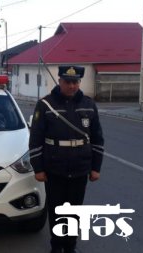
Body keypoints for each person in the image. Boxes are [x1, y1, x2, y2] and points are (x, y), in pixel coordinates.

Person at [29, 66, 104, 253]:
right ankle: (56, 246)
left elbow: (97, 138)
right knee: (56, 210)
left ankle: (70, 246)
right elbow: (36, 139)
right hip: (54, 168)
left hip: (80, 167)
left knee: (74, 210)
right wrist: (38, 168)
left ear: (79, 83)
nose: (72, 86)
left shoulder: (88, 104)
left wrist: (96, 168)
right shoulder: (46, 104)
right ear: (60, 81)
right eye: (68, 82)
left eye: (75, 82)